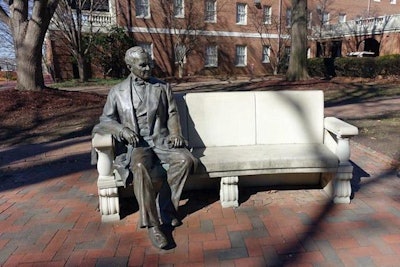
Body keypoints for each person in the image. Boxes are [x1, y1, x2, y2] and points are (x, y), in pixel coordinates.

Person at [93, 46, 197, 249]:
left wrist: (176, 133)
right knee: (140, 168)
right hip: (137, 146)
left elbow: (173, 113)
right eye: (143, 65)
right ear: (129, 66)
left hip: (161, 140)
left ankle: (166, 209)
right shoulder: (117, 91)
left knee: (186, 161)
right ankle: (153, 225)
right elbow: (105, 120)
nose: (148, 67)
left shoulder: (162, 87)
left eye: (150, 62)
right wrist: (122, 130)